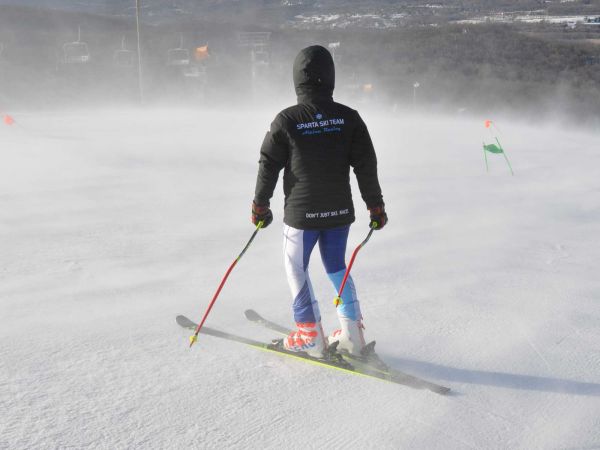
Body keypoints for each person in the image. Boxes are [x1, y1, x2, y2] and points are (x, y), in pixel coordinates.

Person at [251, 45, 387, 359]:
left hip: (302, 215)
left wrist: (260, 204)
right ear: (331, 78)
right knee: (337, 266)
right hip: (339, 212)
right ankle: (352, 333)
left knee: (295, 267)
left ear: (297, 79)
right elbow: (366, 164)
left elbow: (268, 163)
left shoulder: (287, 119)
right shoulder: (349, 118)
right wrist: (375, 206)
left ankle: (309, 333)